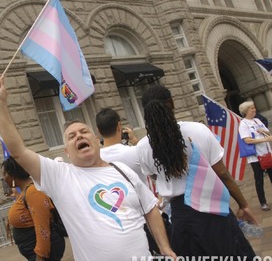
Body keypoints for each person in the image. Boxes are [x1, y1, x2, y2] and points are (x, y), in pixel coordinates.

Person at [0, 73, 176, 260]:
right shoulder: (61, 176)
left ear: (96, 140)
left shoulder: (123, 171)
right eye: (71, 136)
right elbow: (18, 151)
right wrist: (0, 106)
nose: (78, 136)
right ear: (67, 152)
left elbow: (151, 209)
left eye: (84, 132)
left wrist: (164, 247)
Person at [136, 84, 257, 257]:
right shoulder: (198, 129)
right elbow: (222, 174)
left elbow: (156, 177)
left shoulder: (142, 148)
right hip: (213, 208)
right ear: (172, 102)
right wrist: (243, 204)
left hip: (182, 218)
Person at [96, 108, 170, 255]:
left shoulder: (97, 159)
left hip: (121, 224)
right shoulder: (134, 152)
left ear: (99, 131)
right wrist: (135, 141)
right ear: (119, 126)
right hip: (148, 216)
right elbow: (161, 174)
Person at [2, 156, 65, 261]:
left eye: (5, 174)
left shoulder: (33, 191)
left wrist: (40, 256)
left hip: (42, 255)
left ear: (12, 174)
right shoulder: (24, 192)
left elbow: (42, 227)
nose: (4, 178)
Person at [238, 100, 272, 211]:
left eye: (254, 107)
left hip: (267, 153)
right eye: (252, 108)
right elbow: (247, 140)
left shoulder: (257, 120)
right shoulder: (243, 124)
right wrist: (264, 139)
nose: (254, 109)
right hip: (255, 157)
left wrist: (264, 131)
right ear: (246, 110)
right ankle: (263, 202)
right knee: (259, 179)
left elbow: (268, 133)